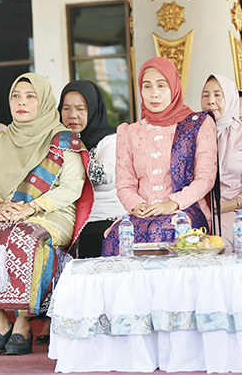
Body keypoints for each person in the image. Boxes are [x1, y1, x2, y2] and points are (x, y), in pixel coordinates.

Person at [0, 74, 90, 356]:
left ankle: (22, 323)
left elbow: (71, 188)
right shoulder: (0, 139)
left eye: (30, 96)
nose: (22, 102)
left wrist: (31, 207)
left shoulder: (62, 139)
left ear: (43, 101)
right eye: (16, 96)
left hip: (50, 212)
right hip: (6, 212)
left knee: (24, 239)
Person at [101, 58, 217, 255]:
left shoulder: (197, 124)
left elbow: (205, 178)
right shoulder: (128, 132)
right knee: (118, 237)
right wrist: (136, 205)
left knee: (163, 231)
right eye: (147, 86)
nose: (154, 93)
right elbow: (125, 184)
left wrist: (172, 203)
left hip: (184, 210)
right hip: (142, 213)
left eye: (161, 85)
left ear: (174, 87)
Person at [58, 81, 121, 258]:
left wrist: (75, 152)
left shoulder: (110, 139)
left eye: (80, 108)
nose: (72, 115)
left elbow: (106, 174)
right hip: (70, 219)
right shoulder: (57, 140)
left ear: (93, 109)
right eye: (66, 108)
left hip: (104, 219)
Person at [201, 74, 242, 247]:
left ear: (231, 98)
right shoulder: (194, 133)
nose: (211, 101)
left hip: (235, 210)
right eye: (205, 95)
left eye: (218, 95)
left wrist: (231, 204)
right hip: (200, 212)